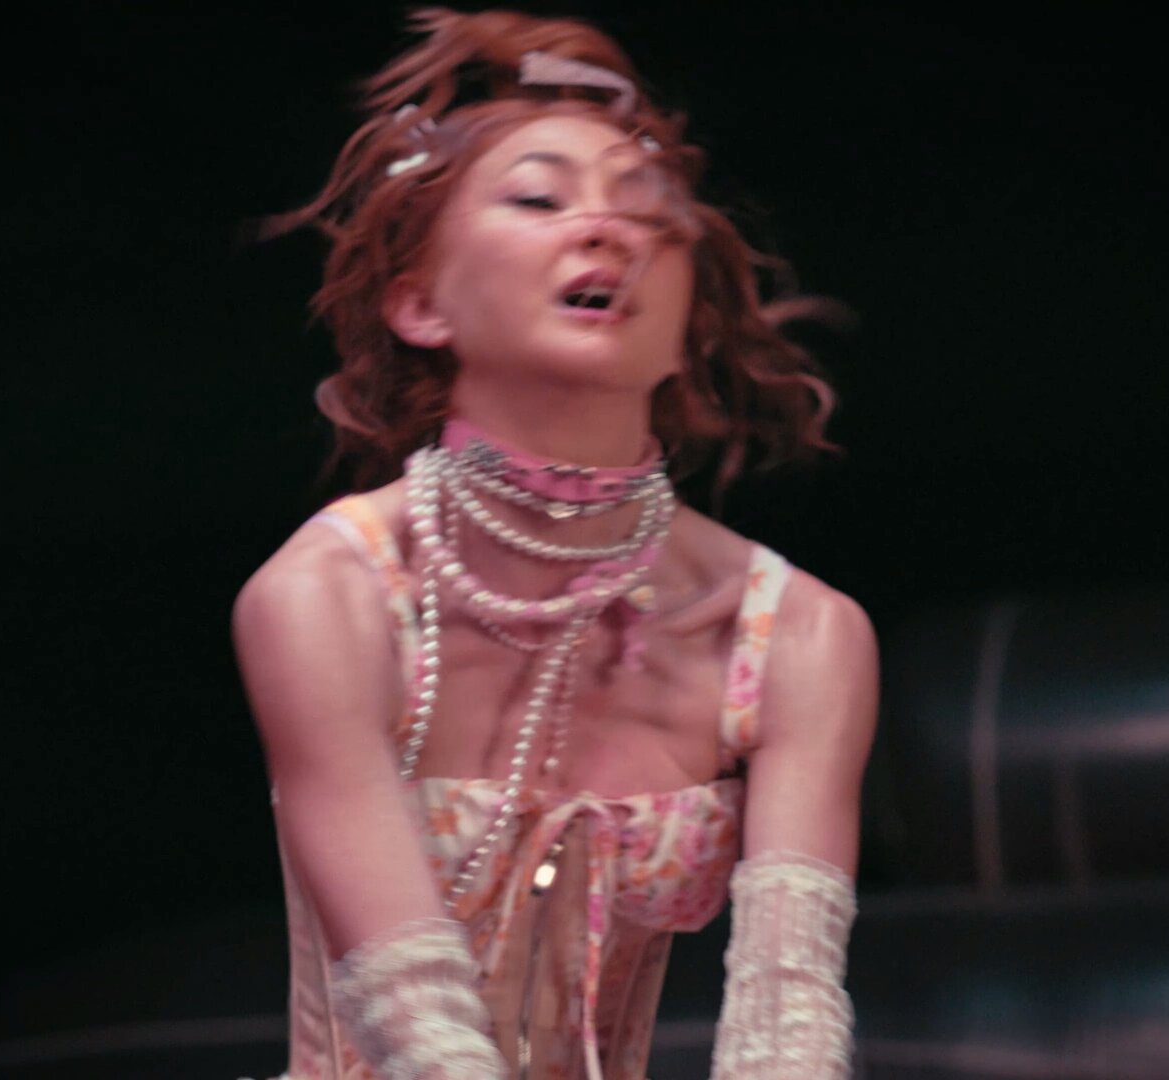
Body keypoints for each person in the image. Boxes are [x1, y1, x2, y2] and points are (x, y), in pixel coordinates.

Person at [233, 9, 878, 1078]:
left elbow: (789, 1026)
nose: (608, 230)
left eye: (647, 210)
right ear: (421, 305)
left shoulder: (799, 634)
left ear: (686, 323)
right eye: (539, 198)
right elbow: (418, 1028)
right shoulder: (332, 594)